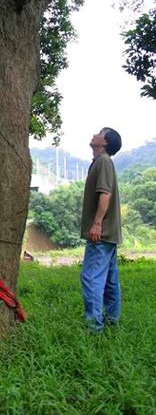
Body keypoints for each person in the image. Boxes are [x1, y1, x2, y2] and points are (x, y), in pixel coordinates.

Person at [80, 127, 122, 333]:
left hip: (101, 232)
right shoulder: (101, 162)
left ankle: (94, 327)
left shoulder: (104, 161)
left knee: (91, 277)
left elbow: (104, 194)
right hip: (110, 233)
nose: (95, 134)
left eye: (100, 132)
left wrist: (96, 224)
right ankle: (112, 320)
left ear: (104, 142)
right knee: (110, 279)